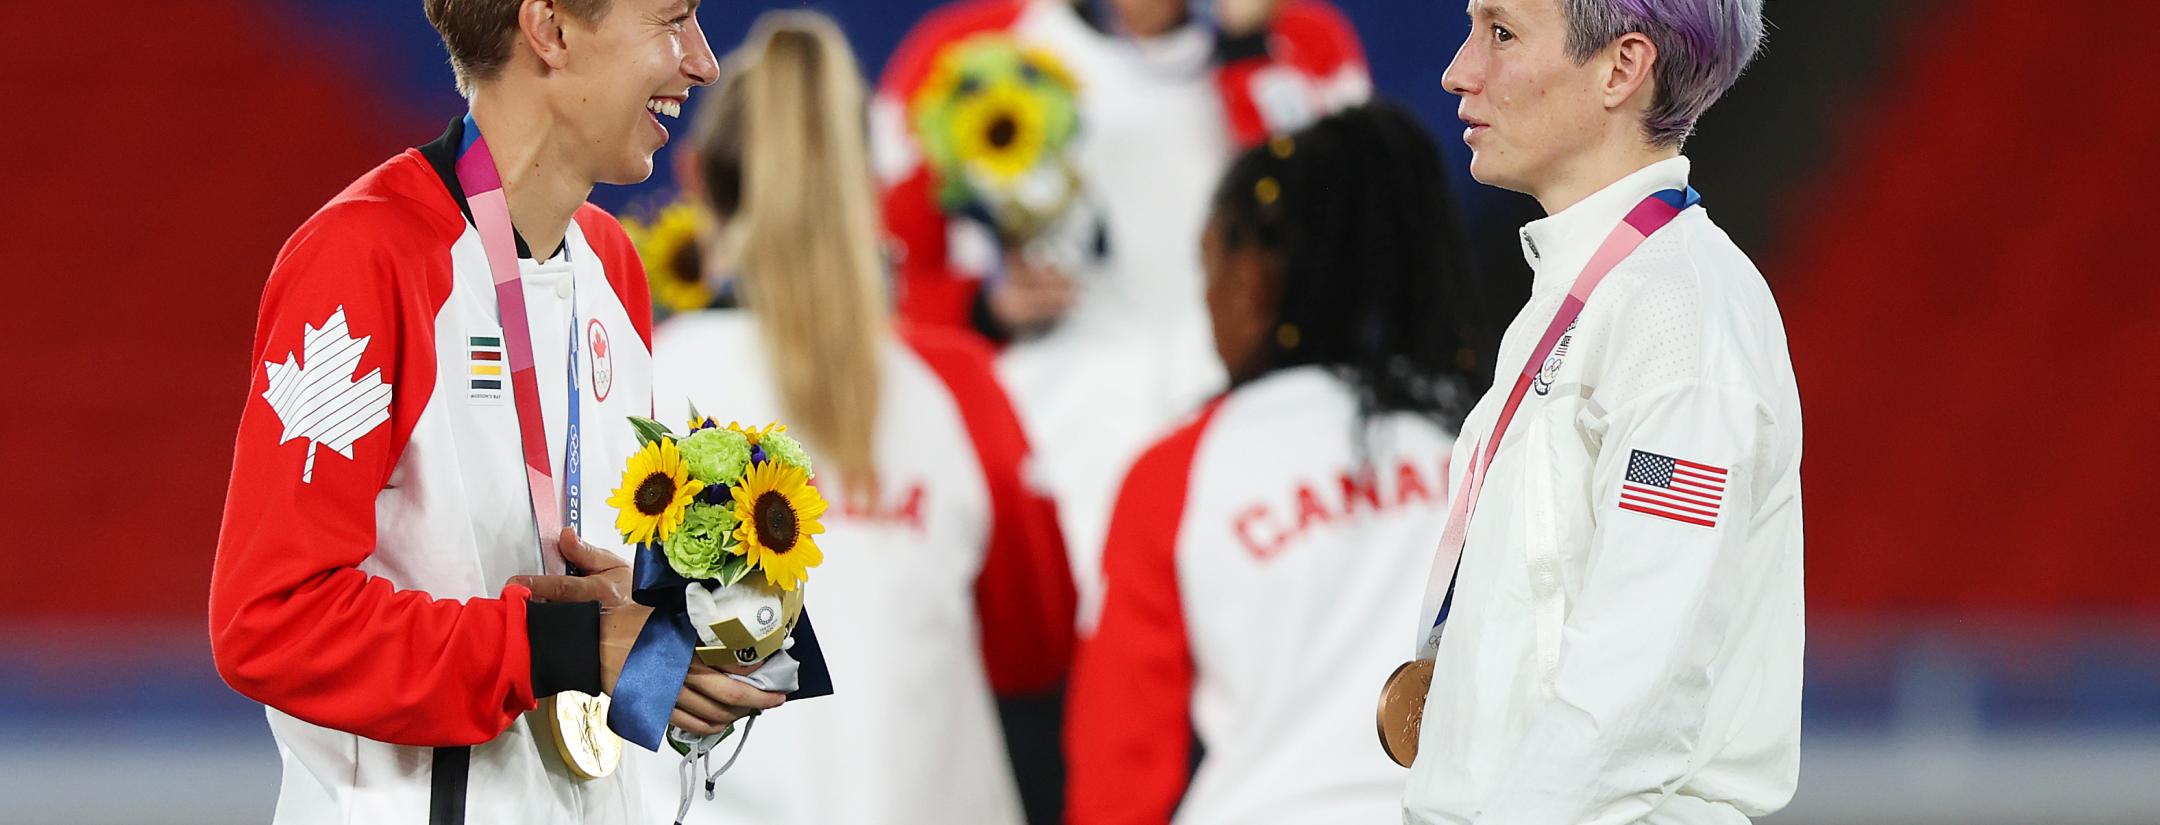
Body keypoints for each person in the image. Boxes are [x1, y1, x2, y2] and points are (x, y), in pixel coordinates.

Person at [207, 1, 788, 822]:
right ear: (548, 29)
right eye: (672, 20)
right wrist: (559, 648)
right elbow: (269, 619)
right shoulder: (364, 259)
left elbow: (580, 576)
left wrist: (651, 621)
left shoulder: (612, 267)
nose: (702, 62)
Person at [634, 12, 1076, 825]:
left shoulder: (649, 378)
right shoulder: (956, 387)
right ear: (862, 183)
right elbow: (1036, 649)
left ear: (700, 179)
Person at [1402, 1, 1801, 823]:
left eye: (1500, 34)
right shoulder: (1584, 298)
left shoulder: (1680, 312)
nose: (1458, 71)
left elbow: (1636, 681)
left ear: (1621, 69)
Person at [873, 0, 1372, 626]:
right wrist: (983, 306)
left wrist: (1248, 51)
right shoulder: (963, 50)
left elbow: (1346, 255)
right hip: (1056, 479)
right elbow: (881, 294)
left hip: (1255, 473)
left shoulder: (1306, 42)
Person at [1065, 103, 1486, 825]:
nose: (1205, 298)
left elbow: (1121, 767)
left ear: (1253, 275)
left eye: (1208, 263)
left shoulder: (1181, 468)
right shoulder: (1490, 432)